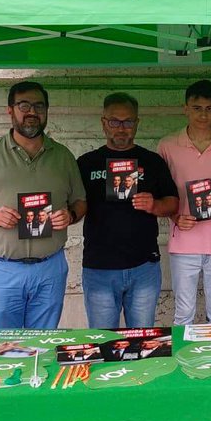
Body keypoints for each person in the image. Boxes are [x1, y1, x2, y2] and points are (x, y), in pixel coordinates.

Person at [0, 81, 86, 331]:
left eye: (38, 106)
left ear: (46, 111)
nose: (31, 112)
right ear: (10, 110)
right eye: (24, 105)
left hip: (50, 269)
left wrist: (71, 215)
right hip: (3, 270)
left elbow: (80, 201)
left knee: (42, 345)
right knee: (4, 348)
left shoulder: (63, 156)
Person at [78, 93, 178, 328]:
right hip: (99, 269)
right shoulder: (86, 163)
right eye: (114, 121)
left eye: (128, 122)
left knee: (142, 342)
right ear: (103, 123)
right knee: (103, 341)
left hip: (143, 267)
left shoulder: (152, 161)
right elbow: (74, 205)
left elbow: (173, 202)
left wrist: (154, 205)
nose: (121, 128)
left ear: (137, 123)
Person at [157, 79, 211, 325]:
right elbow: (161, 193)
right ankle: (183, 363)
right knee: (183, 314)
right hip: (183, 240)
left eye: (209, 108)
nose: (203, 114)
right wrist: (174, 217)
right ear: (185, 108)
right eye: (196, 108)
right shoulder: (167, 146)